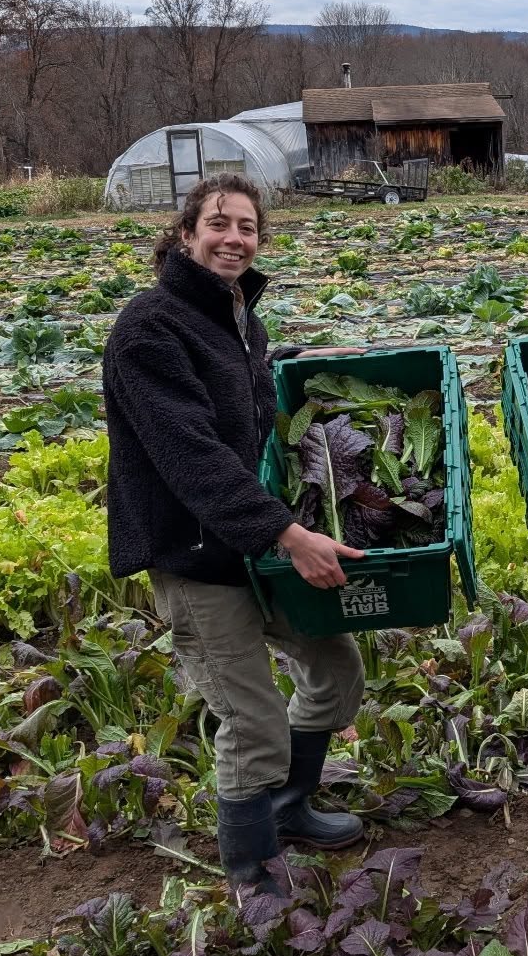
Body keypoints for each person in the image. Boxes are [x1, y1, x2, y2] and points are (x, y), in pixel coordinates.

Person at [103, 173, 368, 896]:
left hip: (250, 542)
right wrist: (288, 533)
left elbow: (243, 404)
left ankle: (289, 808)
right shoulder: (149, 328)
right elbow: (191, 454)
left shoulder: (239, 318)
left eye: (247, 227)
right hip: (195, 553)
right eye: (218, 224)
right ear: (185, 234)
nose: (234, 238)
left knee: (335, 669)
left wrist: (297, 373)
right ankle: (251, 875)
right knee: (251, 721)